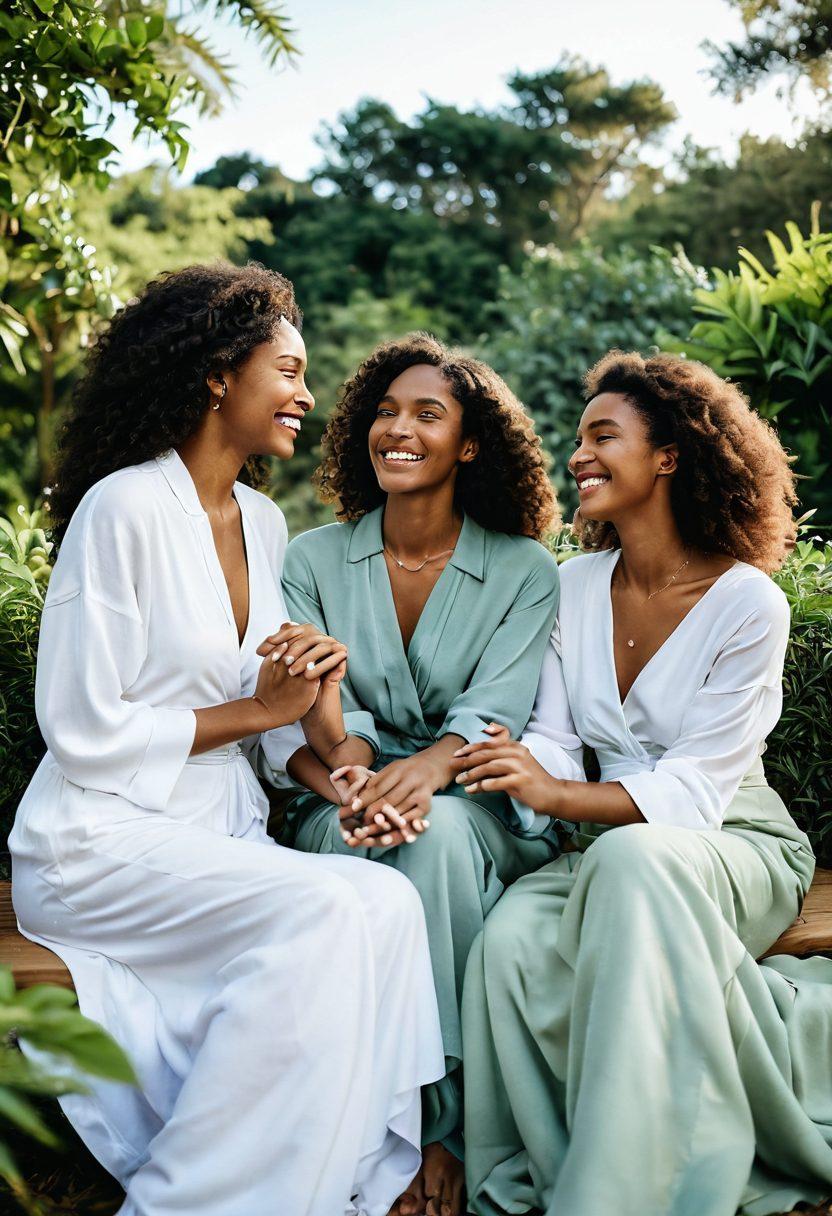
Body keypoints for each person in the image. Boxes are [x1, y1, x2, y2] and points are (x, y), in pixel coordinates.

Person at [10, 263, 445, 1216]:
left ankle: (338, 1184)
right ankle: (185, 1202)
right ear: (218, 374)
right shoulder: (122, 508)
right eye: (287, 371)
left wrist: (329, 762)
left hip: (214, 837)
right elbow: (80, 727)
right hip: (100, 842)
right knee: (324, 918)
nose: (307, 395)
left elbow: (270, 712)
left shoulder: (261, 519)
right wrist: (259, 710)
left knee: (384, 906)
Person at [454, 350, 832, 1216]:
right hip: (608, 843)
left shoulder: (748, 603)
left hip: (732, 841)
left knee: (634, 865)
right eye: (578, 438)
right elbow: (553, 739)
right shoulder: (573, 585)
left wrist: (555, 797)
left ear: (669, 455)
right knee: (509, 939)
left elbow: (696, 792)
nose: (578, 454)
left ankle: (616, 1196)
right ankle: (558, 1165)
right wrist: (511, 762)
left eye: (603, 436)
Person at [259, 335, 560, 1216]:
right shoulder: (312, 560)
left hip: (473, 798)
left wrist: (425, 774)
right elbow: (323, 726)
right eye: (386, 411)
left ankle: (440, 1133)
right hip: (338, 794)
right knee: (361, 857)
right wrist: (354, 783)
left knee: (440, 838)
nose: (398, 428)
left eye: (428, 414)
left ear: (470, 444)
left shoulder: (524, 569)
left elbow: (494, 711)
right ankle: (360, 1128)